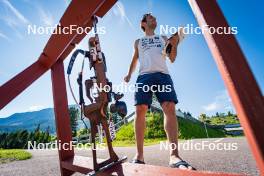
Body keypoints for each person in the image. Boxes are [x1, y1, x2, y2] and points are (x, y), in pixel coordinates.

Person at [124, 13, 196, 170]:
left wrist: (174, 44)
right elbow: (134, 59)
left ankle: (174, 156)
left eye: (156, 18)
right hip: (144, 76)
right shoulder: (138, 41)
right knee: (140, 109)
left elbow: (172, 58)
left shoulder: (163, 38)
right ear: (143, 23)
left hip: (163, 75)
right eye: (150, 17)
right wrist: (129, 74)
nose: (154, 19)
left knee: (169, 107)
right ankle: (139, 155)